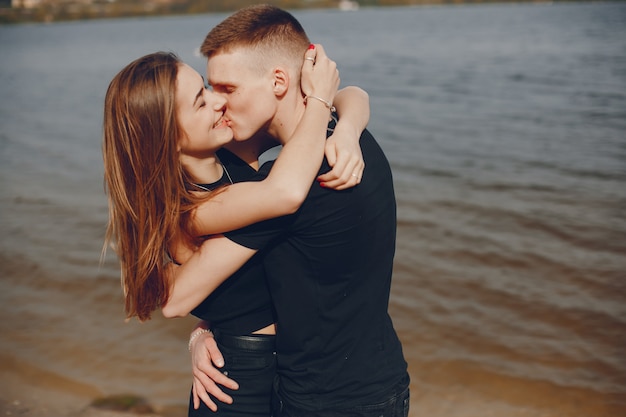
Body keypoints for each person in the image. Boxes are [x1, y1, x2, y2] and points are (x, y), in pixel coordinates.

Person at [163, 5, 410, 417]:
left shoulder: (294, 185)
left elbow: (181, 293)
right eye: (210, 90)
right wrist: (347, 121)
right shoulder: (351, 143)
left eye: (227, 88)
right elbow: (353, 94)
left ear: (278, 81)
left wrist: (204, 331)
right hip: (379, 379)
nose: (218, 104)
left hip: (329, 400)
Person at [102, 46, 369, 415]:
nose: (217, 102)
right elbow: (285, 193)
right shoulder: (191, 211)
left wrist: (348, 132)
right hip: (238, 382)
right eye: (200, 101)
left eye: (207, 87)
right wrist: (321, 99)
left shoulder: (231, 153)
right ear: (168, 137)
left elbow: (354, 94)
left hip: (288, 369)